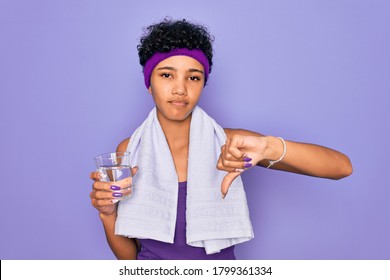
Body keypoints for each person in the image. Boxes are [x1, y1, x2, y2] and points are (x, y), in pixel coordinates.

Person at [89, 18, 352, 260]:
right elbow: (130, 259)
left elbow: (342, 167)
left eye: (193, 77)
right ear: (149, 83)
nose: (180, 89)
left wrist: (269, 146)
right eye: (166, 75)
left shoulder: (231, 144)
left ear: (203, 84)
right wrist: (108, 214)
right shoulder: (130, 150)